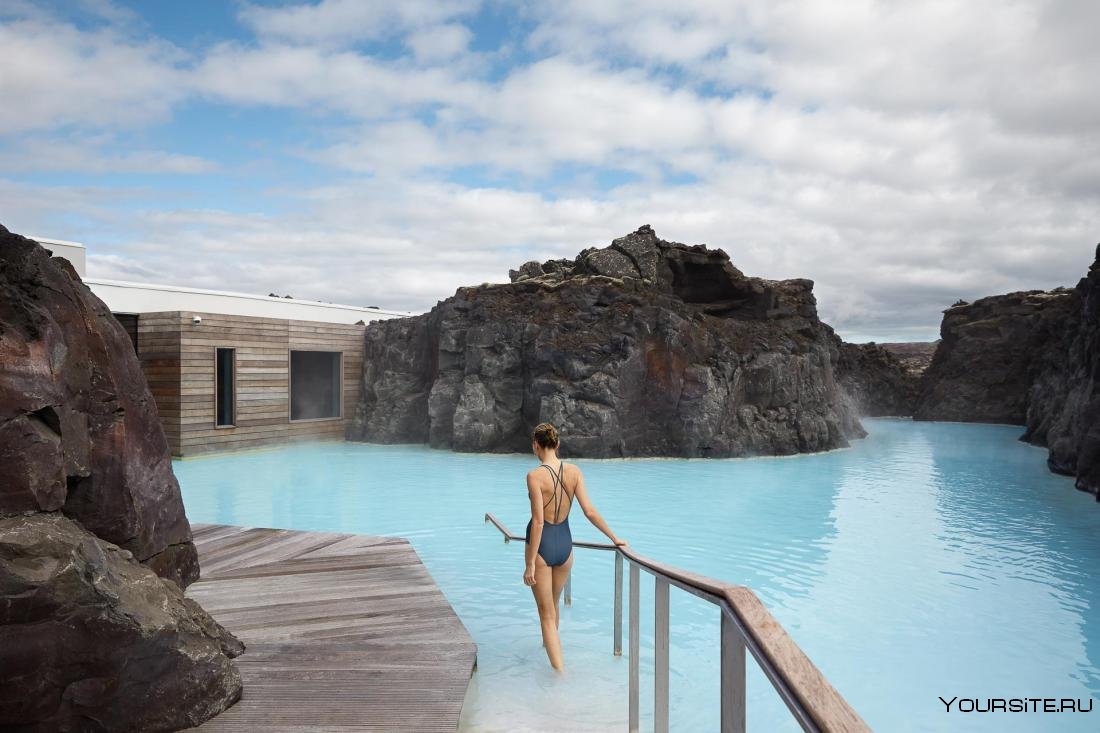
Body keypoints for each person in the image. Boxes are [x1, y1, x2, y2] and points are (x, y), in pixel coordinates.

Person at [524, 422, 626, 671]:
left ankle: (559, 676)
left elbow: (538, 522)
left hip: (542, 548)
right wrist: (614, 538)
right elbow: (589, 511)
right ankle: (552, 651)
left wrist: (529, 565)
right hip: (565, 547)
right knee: (554, 605)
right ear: (557, 444)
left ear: (536, 445)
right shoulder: (574, 472)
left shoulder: (535, 476)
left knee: (545, 615)